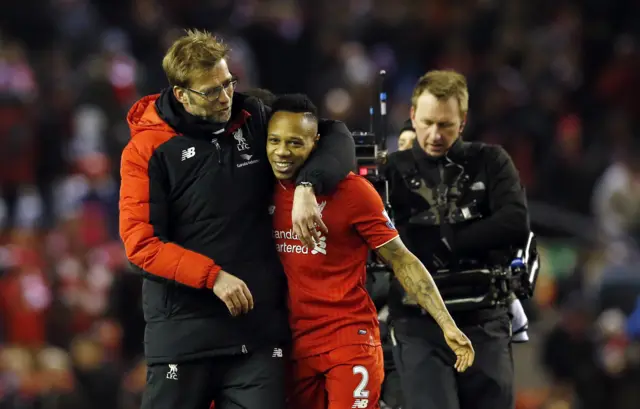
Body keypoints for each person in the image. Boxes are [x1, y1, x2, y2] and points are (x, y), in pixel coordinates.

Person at [119, 30, 356, 409]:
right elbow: (140, 246)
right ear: (181, 94)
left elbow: (335, 136)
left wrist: (307, 186)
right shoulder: (146, 150)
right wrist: (212, 276)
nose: (226, 97)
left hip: (257, 338)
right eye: (211, 91)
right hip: (183, 338)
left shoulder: (255, 118)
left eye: (228, 83)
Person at [266, 94, 474, 409]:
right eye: (274, 141)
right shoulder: (259, 188)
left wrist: (446, 323)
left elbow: (401, 259)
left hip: (348, 340)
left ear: (316, 143)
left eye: (295, 143)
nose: (282, 152)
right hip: (292, 346)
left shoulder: (354, 193)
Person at [384, 70, 532, 409]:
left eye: (446, 125)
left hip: (483, 316)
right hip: (418, 323)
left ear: (462, 122)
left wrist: (445, 240)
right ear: (412, 117)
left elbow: (514, 223)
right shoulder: (390, 171)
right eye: (427, 122)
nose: (435, 134)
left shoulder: (492, 161)